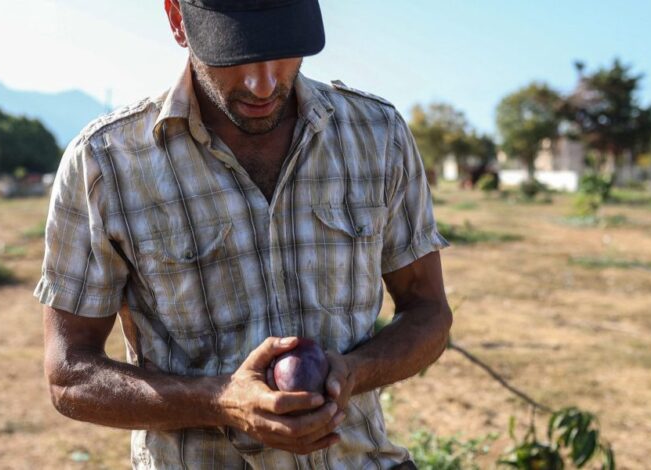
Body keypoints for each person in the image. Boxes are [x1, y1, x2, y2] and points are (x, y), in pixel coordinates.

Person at [35, 0, 453, 468]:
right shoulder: (105, 164)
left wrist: (354, 372)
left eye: (284, 50)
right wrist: (221, 401)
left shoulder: (377, 136)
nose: (264, 82)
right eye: (235, 55)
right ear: (177, 19)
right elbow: (70, 375)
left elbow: (429, 311)